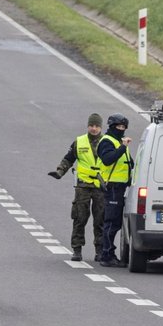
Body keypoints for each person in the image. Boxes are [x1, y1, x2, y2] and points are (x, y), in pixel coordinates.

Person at [48, 113, 106, 261]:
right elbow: (69, 159)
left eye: (97, 126)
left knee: (100, 219)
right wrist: (60, 172)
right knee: (80, 217)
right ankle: (77, 249)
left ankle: (100, 250)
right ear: (88, 126)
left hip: (101, 186)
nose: (94, 129)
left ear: (101, 127)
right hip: (83, 186)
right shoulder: (79, 142)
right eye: (91, 126)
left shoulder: (107, 142)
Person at [97, 113, 134, 267]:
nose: (121, 129)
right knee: (111, 222)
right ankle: (106, 255)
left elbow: (128, 164)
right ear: (112, 127)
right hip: (112, 186)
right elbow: (108, 160)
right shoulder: (107, 142)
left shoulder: (119, 142)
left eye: (123, 127)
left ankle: (110, 252)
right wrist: (122, 147)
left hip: (121, 187)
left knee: (117, 222)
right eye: (118, 127)